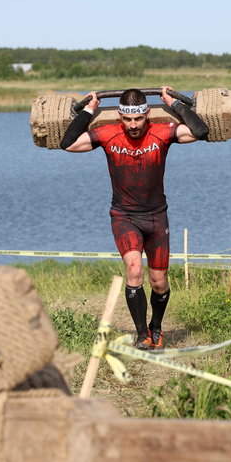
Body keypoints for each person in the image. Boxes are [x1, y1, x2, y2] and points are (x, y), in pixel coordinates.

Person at [57, 86, 210, 349]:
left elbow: (200, 131)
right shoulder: (107, 134)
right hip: (124, 216)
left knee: (159, 282)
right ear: (119, 115)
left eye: (138, 118)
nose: (133, 125)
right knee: (134, 269)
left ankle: (156, 328)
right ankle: (142, 335)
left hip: (157, 217)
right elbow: (68, 143)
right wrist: (88, 110)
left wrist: (174, 103)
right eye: (127, 119)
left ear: (147, 114)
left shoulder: (162, 133)